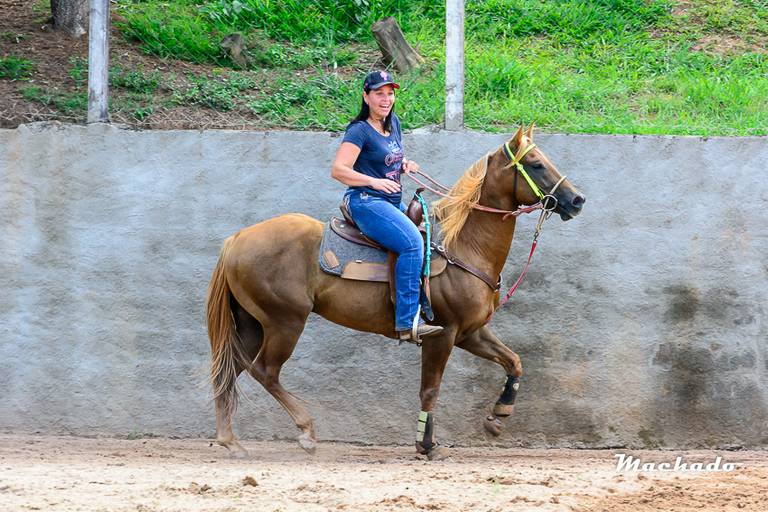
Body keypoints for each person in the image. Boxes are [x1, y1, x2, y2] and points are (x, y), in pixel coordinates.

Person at [331, 70, 443, 342]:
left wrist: (405, 164)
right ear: (366, 96)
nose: (386, 99)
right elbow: (338, 170)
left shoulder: (393, 124)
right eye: (379, 93)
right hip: (365, 200)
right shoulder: (359, 130)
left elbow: (387, 158)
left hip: (390, 201)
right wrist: (374, 181)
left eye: (390, 93)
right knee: (412, 243)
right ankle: (407, 322)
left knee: (429, 234)